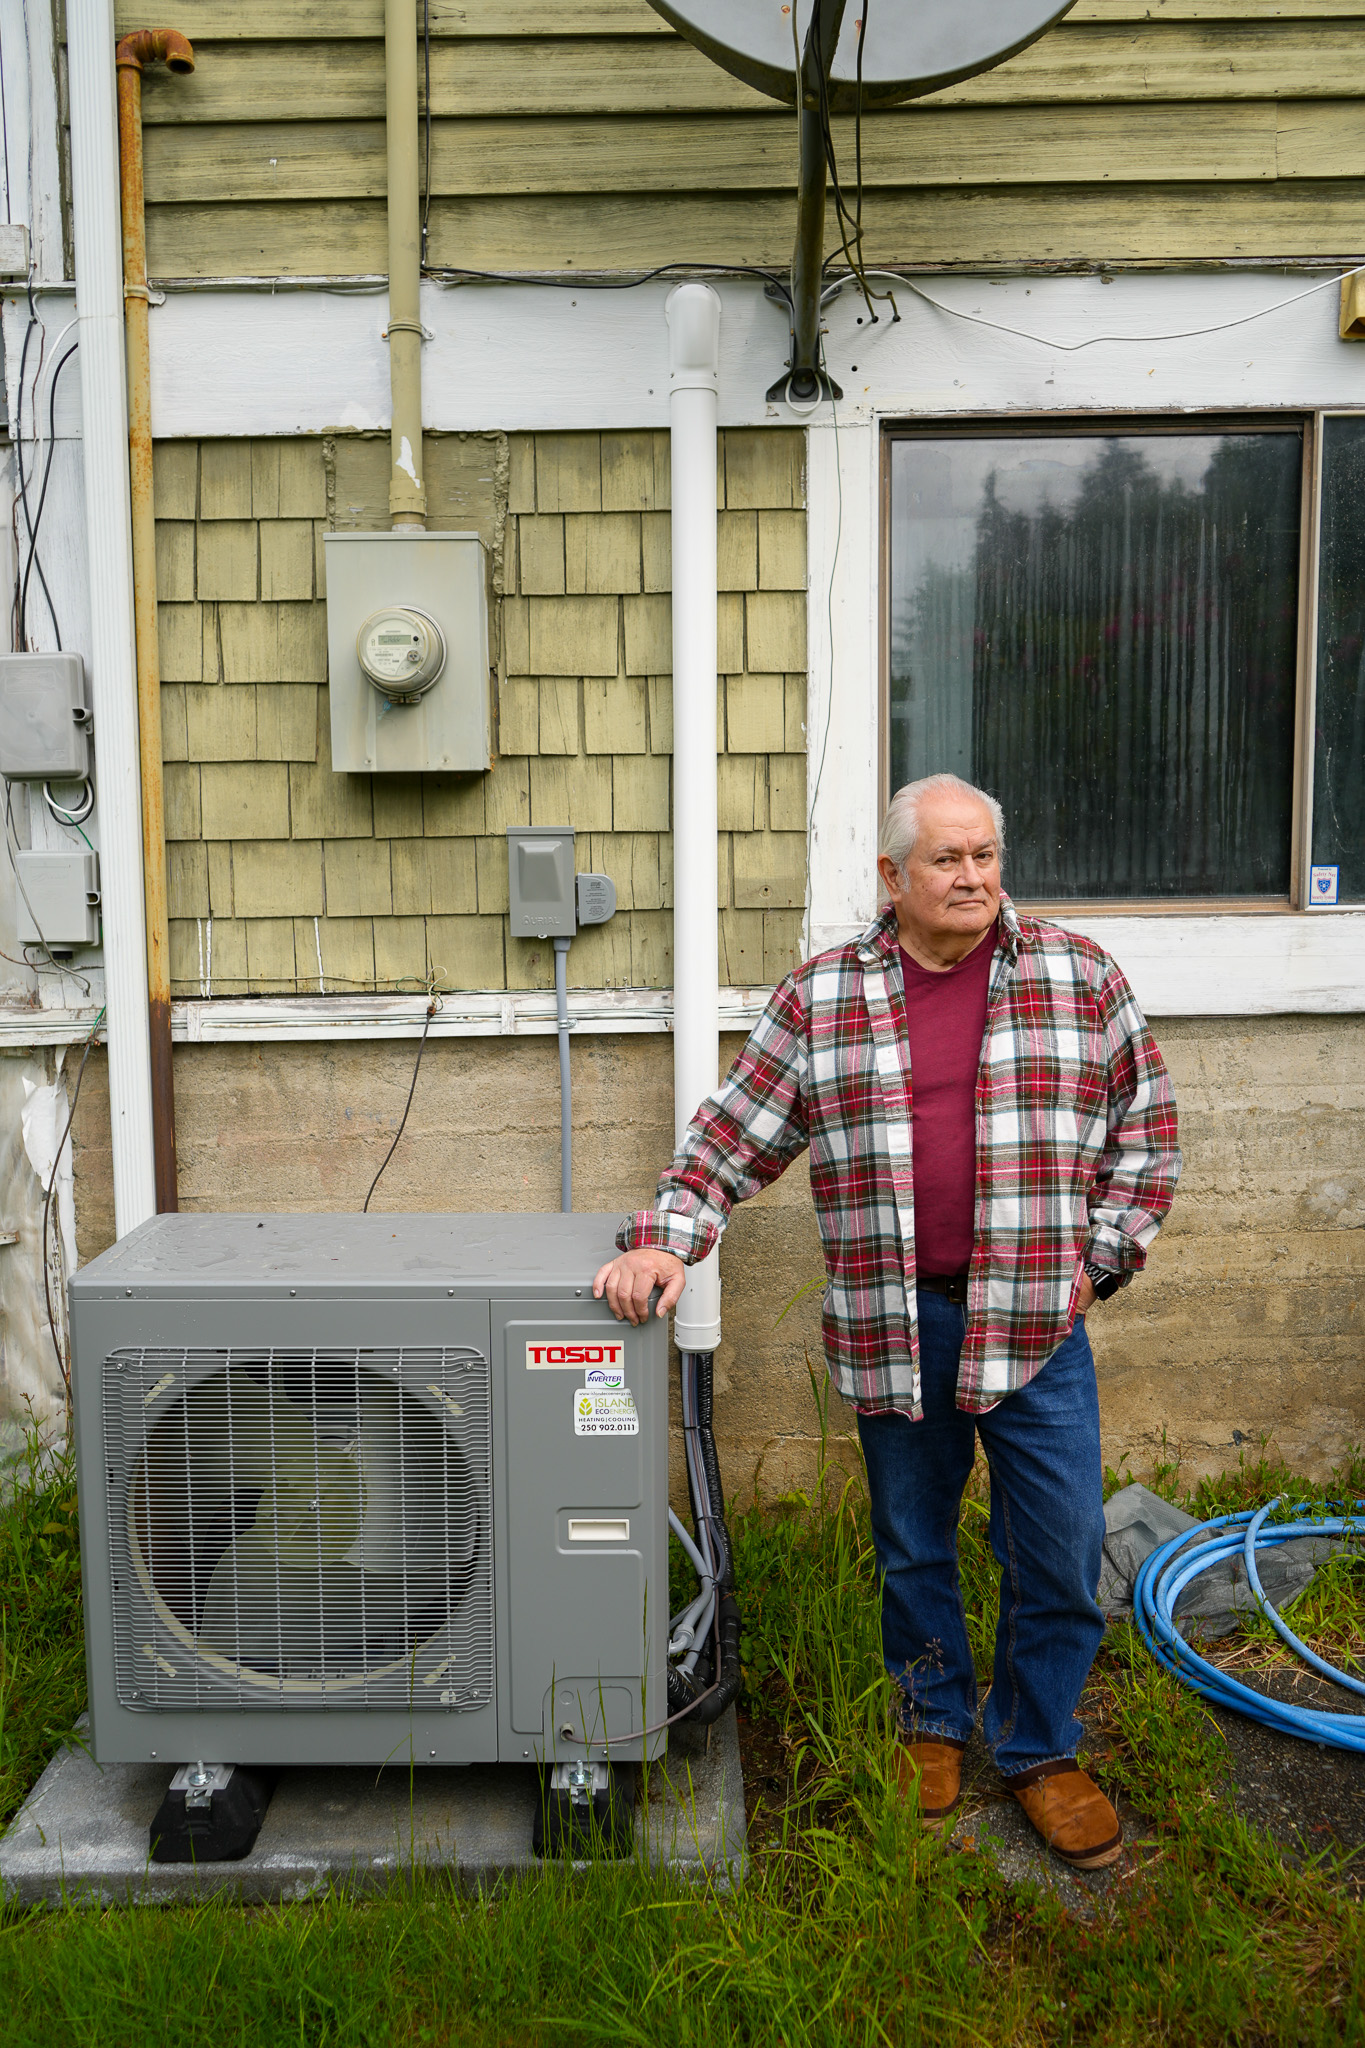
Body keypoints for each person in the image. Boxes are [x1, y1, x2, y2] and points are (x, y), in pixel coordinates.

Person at [593, 773, 1181, 1870]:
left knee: (1058, 1547)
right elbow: (731, 1135)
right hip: (893, 1321)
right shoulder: (827, 996)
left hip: (1036, 1327)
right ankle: (933, 1721)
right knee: (914, 1546)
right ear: (892, 876)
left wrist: (1089, 1271)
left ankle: (1042, 1745)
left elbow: (1145, 1138)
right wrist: (666, 1236)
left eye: (986, 855)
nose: (973, 877)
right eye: (948, 859)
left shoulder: (1078, 974)